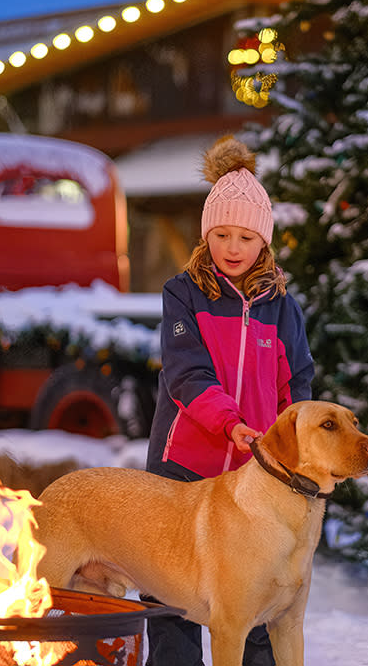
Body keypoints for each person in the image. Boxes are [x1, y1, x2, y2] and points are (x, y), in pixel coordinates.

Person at [144, 135, 314, 666]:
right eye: (221, 234)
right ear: (206, 234)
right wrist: (230, 422)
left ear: (264, 241)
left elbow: (297, 386)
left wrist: (292, 448)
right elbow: (186, 374)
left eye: (245, 236)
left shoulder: (282, 307)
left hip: (254, 476)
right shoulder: (183, 293)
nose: (233, 247)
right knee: (171, 594)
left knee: (256, 593)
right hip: (182, 465)